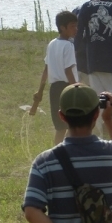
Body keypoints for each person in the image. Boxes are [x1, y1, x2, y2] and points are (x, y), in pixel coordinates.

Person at [23, 84, 112, 223]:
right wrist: (109, 121)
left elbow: (31, 211)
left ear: (61, 116)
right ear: (96, 115)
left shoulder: (45, 162)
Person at [74, 0, 112, 130]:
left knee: (97, 97)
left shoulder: (86, 6)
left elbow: (79, 35)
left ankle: (97, 130)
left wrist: (76, 53)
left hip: (93, 60)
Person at [33, 11, 79, 145]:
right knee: (73, 124)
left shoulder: (52, 43)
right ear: (62, 27)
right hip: (67, 88)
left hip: (54, 89)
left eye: (76, 26)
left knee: (60, 127)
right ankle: (67, 151)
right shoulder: (69, 46)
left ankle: (57, 152)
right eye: (72, 26)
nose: (75, 29)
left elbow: (46, 69)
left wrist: (40, 90)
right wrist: (76, 89)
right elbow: (68, 70)